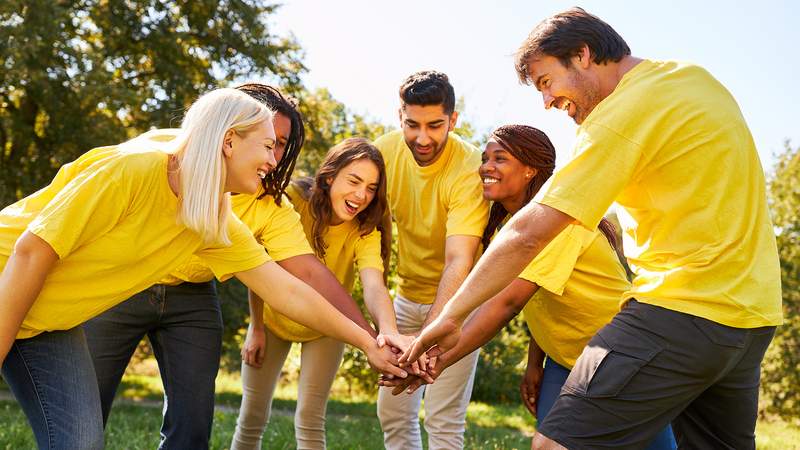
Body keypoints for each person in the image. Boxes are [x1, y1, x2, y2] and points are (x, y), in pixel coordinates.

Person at [401, 7, 782, 450]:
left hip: (683, 307)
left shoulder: (622, 111)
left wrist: (448, 316)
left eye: (546, 82)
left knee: (554, 446)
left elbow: (530, 233)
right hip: (751, 318)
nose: (547, 101)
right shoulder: (692, 79)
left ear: (582, 55)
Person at [0, 88, 406, 450]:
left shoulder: (213, 217)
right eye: (267, 146)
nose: (274, 160)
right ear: (229, 141)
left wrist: (369, 343)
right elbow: (31, 253)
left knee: (81, 442)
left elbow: (287, 290)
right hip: (9, 283)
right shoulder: (137, 169)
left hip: (47, 324)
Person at [383, 124, 675, 449]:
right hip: (564, 362)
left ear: (529, 171)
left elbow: (508, 303)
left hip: (619, 357)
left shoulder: (557, 225)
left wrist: (434, 362)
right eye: (484, 158)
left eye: (500, 159)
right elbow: (544, 297)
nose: (486, 167)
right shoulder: (511, 229)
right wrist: (535, 363)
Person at [231, 138, 411, 449]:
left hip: (327, 328)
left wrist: (388, 333)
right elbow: (258, 264)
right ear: (329, 177)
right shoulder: (291, 203)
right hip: (274, 320)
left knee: (311, 419)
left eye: (370, 187)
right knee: (252, 417)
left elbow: (374, 285)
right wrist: (256, 327)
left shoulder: (364, 230)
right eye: (354, 181)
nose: (361, 195)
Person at [374, 71, 489, 450]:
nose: (422, 138)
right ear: (400, 116)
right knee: (392, 413)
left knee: (443, 419)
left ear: (453, 120)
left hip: (457, 307)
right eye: (412, 125)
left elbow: (459, 258)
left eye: (435, 125)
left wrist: (436, 330)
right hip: (406, 299)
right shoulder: (385, 152)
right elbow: (371, 234)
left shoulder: (469, 167)